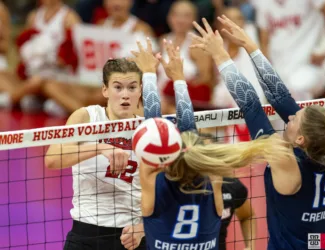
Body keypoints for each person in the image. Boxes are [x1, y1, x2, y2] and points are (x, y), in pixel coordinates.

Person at [191, 16, 325, 249]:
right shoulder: (324, 146)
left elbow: (251, 105)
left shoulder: (285, 158)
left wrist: (220, 55)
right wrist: (251, 47)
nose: (289, 117)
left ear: (301, 139)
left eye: (293, 120)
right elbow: (281, 97)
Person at [123, 38, 289, 250]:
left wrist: (150, 73)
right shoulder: (214, 182)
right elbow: (172, 133)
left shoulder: (156, 185)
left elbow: (154, 131)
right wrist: (177, 79)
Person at [44, 57, 146, 249]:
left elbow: (163, 187)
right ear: (105, 90)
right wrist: (100, 147)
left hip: (132, 235)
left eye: (132, 88)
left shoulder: (147, 127)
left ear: (140, 89)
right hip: (86, 233)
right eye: (118, 87)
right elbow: (52, 160)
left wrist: (144, 228)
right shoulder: (87, 117)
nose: (125, 95)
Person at [200, 134, 257, 250]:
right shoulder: (177, 188)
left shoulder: (232, 187)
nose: (208, 161)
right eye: (203, 155)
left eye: (212, 155)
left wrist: (250, 246)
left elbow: (247, 216)